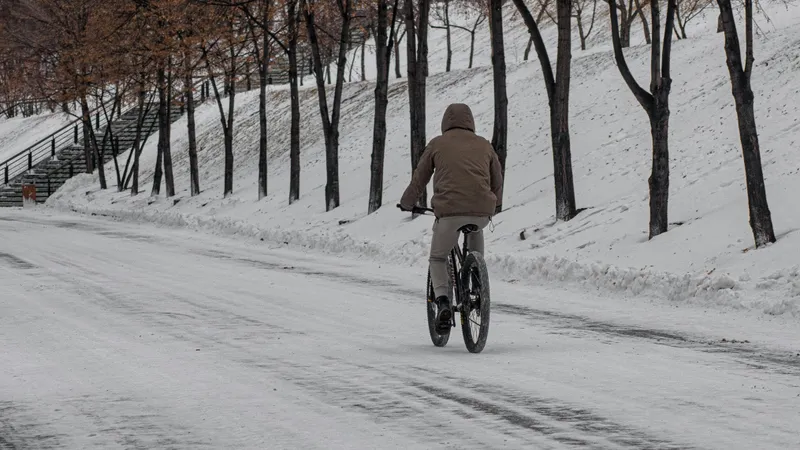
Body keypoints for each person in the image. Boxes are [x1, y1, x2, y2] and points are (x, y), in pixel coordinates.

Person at [399, 103, 503, 332]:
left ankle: (443, 302)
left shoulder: (437, 144)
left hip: (449, 214)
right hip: (481, 212)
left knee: (437, 258)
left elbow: (420, 179)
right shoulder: (484, 145)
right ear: (470, 121)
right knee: (476, 245)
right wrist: (496, 204)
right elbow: (497, 178)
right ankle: (476, 280)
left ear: (446, 121)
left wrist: (408, 203)